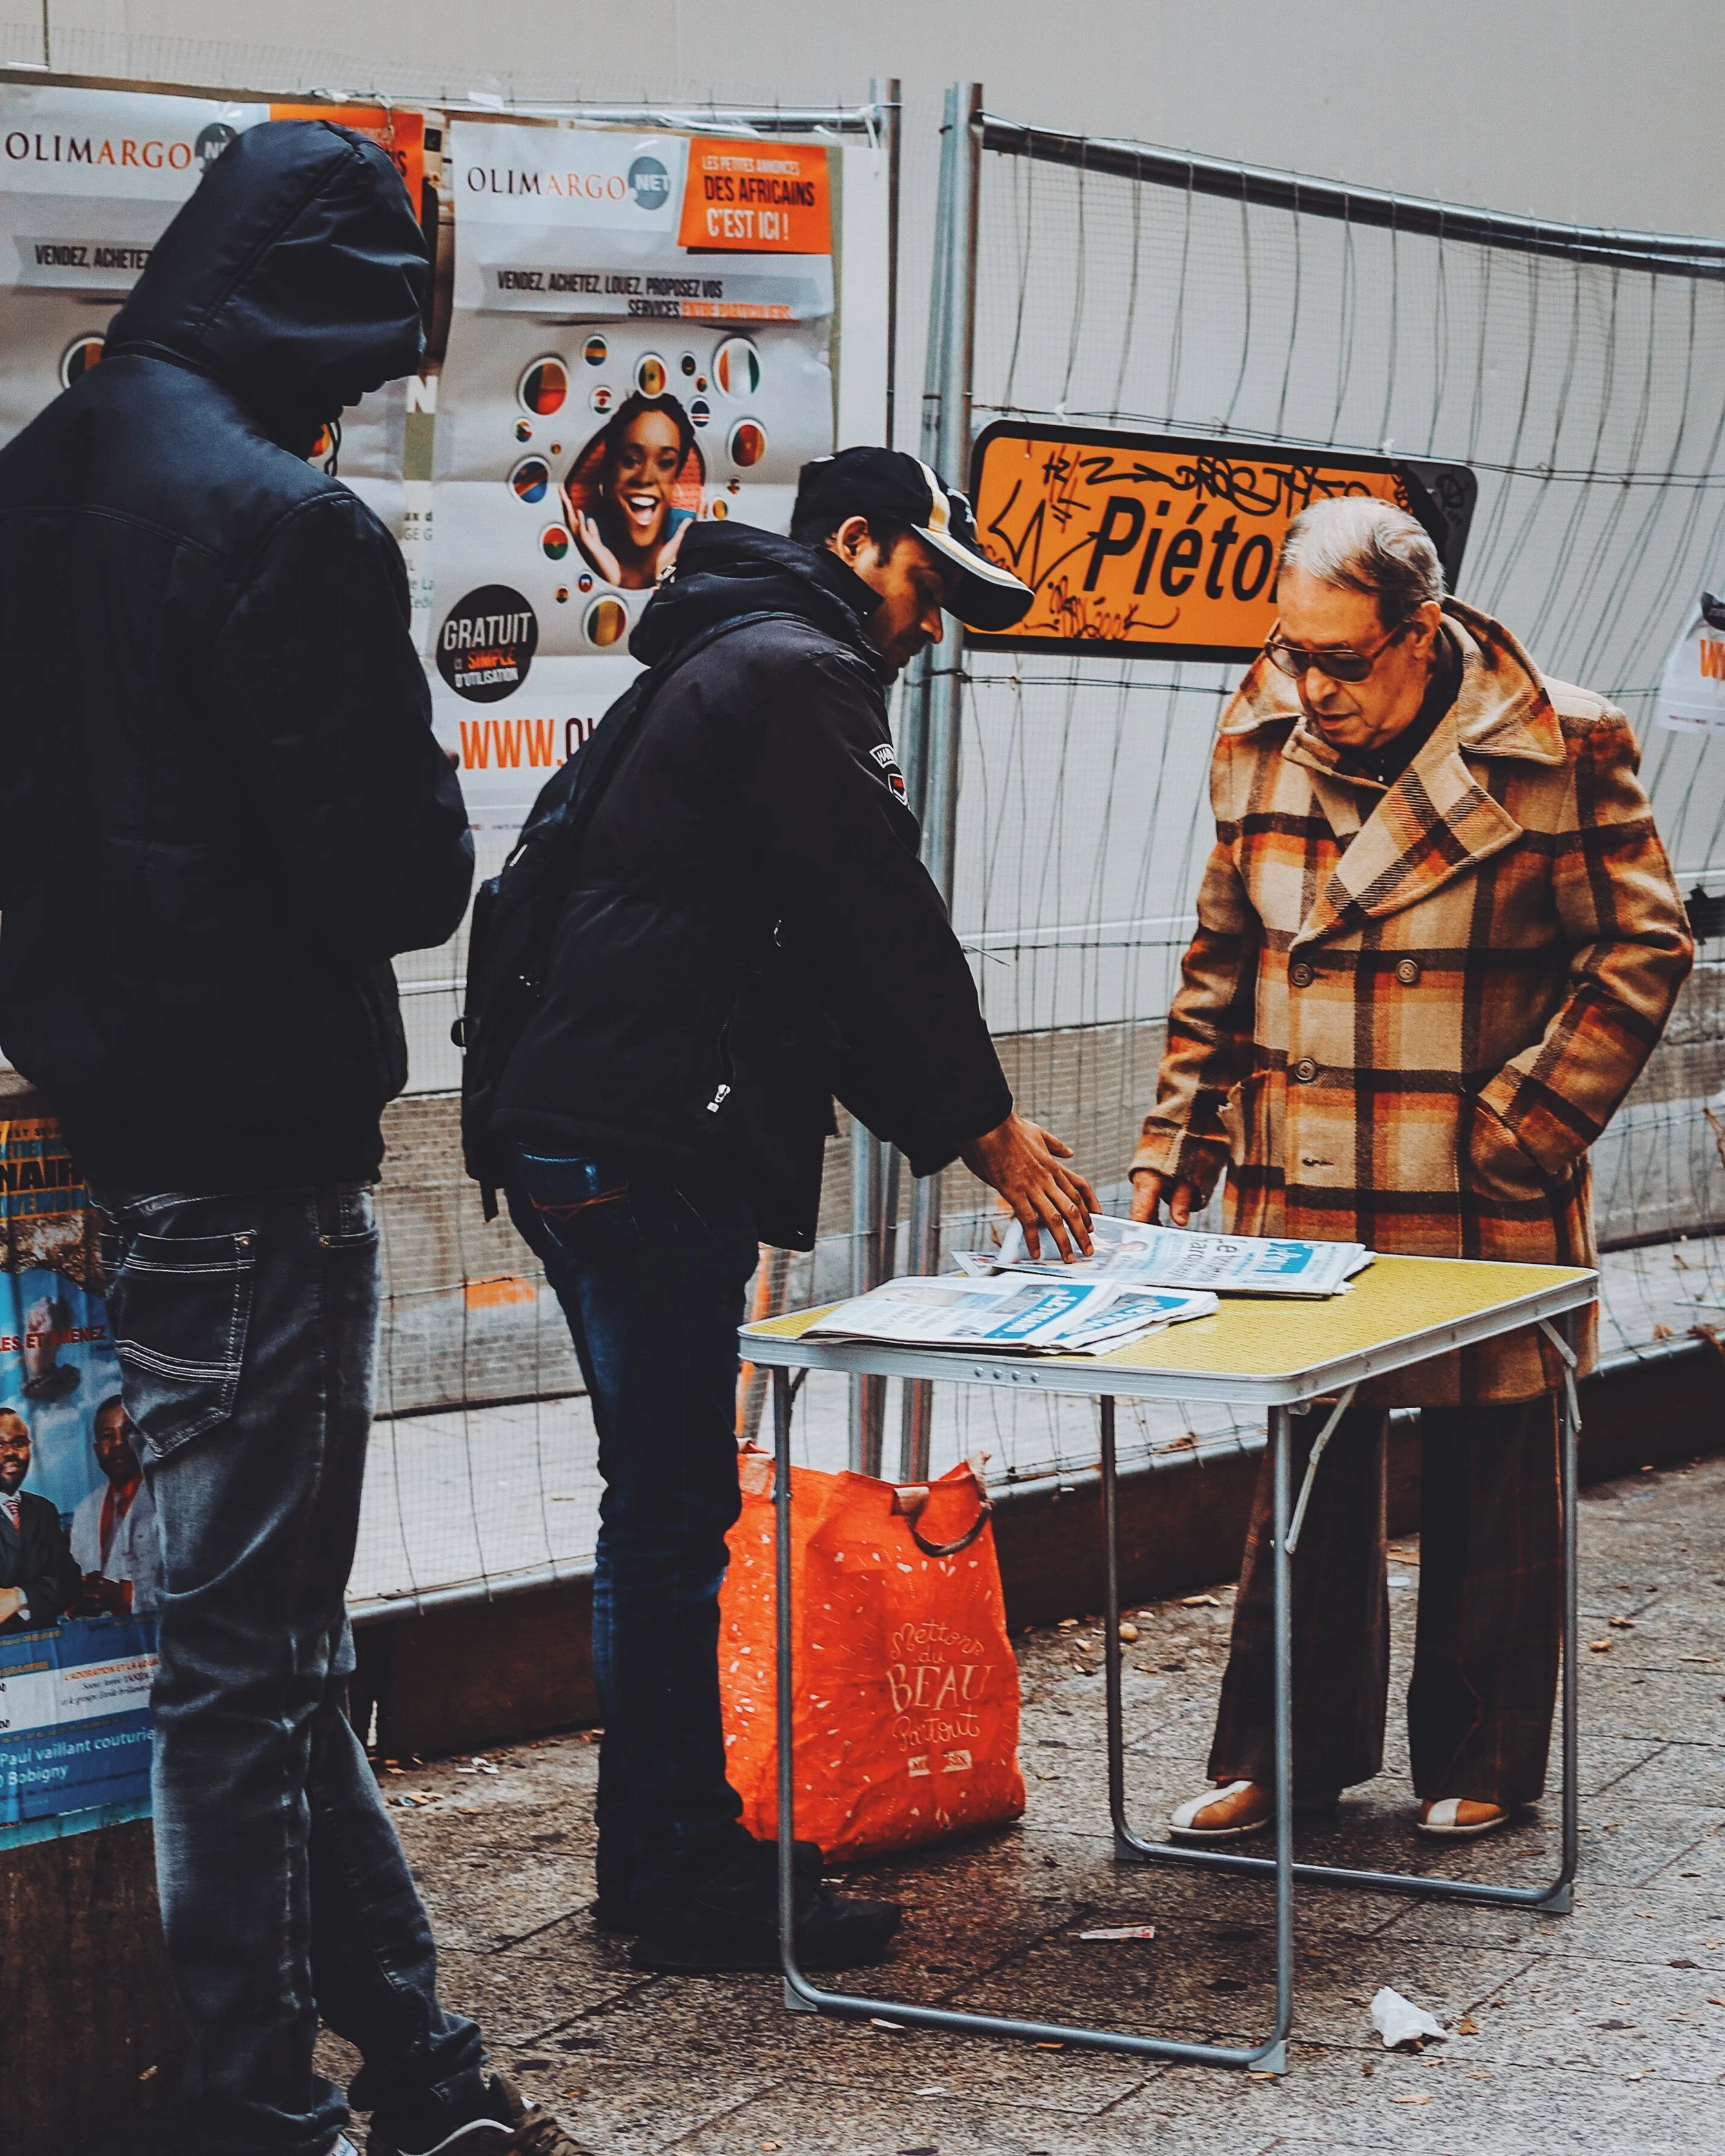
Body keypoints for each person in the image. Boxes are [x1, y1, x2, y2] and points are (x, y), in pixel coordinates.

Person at [0, 121, 584, 2156]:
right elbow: (403, 877)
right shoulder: (285, 525)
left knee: (260, 1645)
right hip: (259, 1163)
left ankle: (420, 2077)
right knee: (241, 1677)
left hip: (118, 1130)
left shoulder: (37, 481)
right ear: (323, 301)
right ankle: (258, 2110)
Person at [484, 444, 1096, 1973]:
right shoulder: (797, 670)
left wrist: (953, 1116)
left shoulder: (722, 655)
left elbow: (807, 946)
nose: (930, 621)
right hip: (639, 1141)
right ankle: (676, 1863)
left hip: (585, 1130)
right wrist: (985, 1129)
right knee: (673, 1508)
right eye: (923, 582)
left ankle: (669, 1842)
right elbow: (870, 922)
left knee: (665, 1499)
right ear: (856, 542)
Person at [1131, 496, 1693, 1844]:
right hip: (1299, 1175)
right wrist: (1173, 1151)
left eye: (1338, 658)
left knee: (1492, 1465)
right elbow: (1222, 955)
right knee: (1306, 1474)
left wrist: (1523, 1125)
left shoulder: (1559, 740)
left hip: (1476, 1176)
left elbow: (1639, 944)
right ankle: (1283, 1751)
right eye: (1291, 650)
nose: (1308, 684)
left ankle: (1484, 1752)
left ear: (1415, 632)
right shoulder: (1260, 720)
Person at [565, 391, 700, 589]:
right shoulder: (582, 538)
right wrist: (607, 582)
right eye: (630, 460)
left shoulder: (692, 541)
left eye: (665, 463)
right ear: (609, 469)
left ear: (677, 477)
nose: (645, 478)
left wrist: (664, 577)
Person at [69, 1395, 161, 1618]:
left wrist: (123, 1596)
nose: (119, 1443)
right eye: (108, 1436)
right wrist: (76, 1599)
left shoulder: (163, 1497)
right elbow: (74, 1577)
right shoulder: (84, 1510)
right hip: (101, 1639)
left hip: (154, 1638)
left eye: (129, 1432)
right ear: (96, 1449)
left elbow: (183, 1581)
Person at [0, 1407, 78, 1632]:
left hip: (47, 1648)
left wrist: (18, 1597)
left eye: (18, 1443)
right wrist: (43, 1594)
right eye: (0, 1444)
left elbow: (69, 1582)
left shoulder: (43, 1510)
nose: (10, 1453)